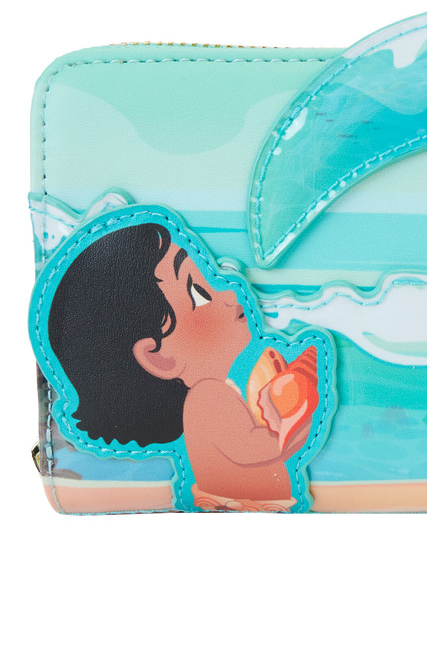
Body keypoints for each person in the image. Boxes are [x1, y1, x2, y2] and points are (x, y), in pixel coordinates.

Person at [46, 219, 320, 511]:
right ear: (159, 357)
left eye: (211, 278)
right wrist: (296, 414)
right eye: (199, 294)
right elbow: (263, 449)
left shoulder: (216, 392)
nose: (230, 293)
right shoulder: (208, 399)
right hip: (245, 506)